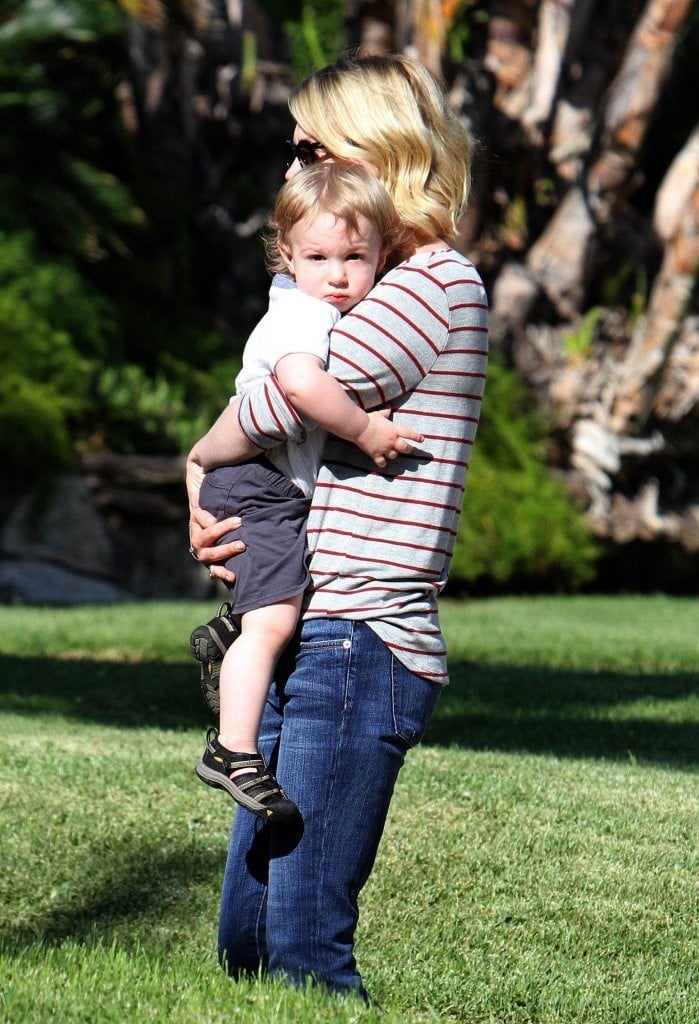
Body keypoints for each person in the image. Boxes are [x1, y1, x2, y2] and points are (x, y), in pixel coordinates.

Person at [187, 51, 489, 1002]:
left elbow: (277, 405)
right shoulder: (352, 285)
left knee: (302, 949)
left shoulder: (425, 285)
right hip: (307, 624)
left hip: (361, 637)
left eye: (309, 147)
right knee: (245, 947)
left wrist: (195, 462)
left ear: (375, 150)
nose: (291, 171)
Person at [188, 162, 418, 822]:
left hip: (263, 487)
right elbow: (298, 387)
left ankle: (230, 630)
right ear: (286, 256)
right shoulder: (301, 313)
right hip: (256, 485)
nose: (339, 274)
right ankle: (232, 750)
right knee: (276, 623)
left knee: (271, 613)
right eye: (318, 257)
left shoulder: (314, 303)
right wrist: (364, 429)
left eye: (356, 256)